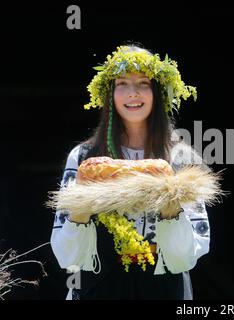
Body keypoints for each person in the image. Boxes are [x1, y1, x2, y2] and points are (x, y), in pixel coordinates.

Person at [50, 44, 211, 300]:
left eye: (143, 83)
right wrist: (81, 204)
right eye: (122, 83)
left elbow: (185, 258)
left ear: (158, 92)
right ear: (109, 94)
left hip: (163, 289)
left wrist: (169, 202)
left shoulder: (183, 159)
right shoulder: (83, 158)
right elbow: (67, 258)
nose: (132, 93)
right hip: (99, 287)